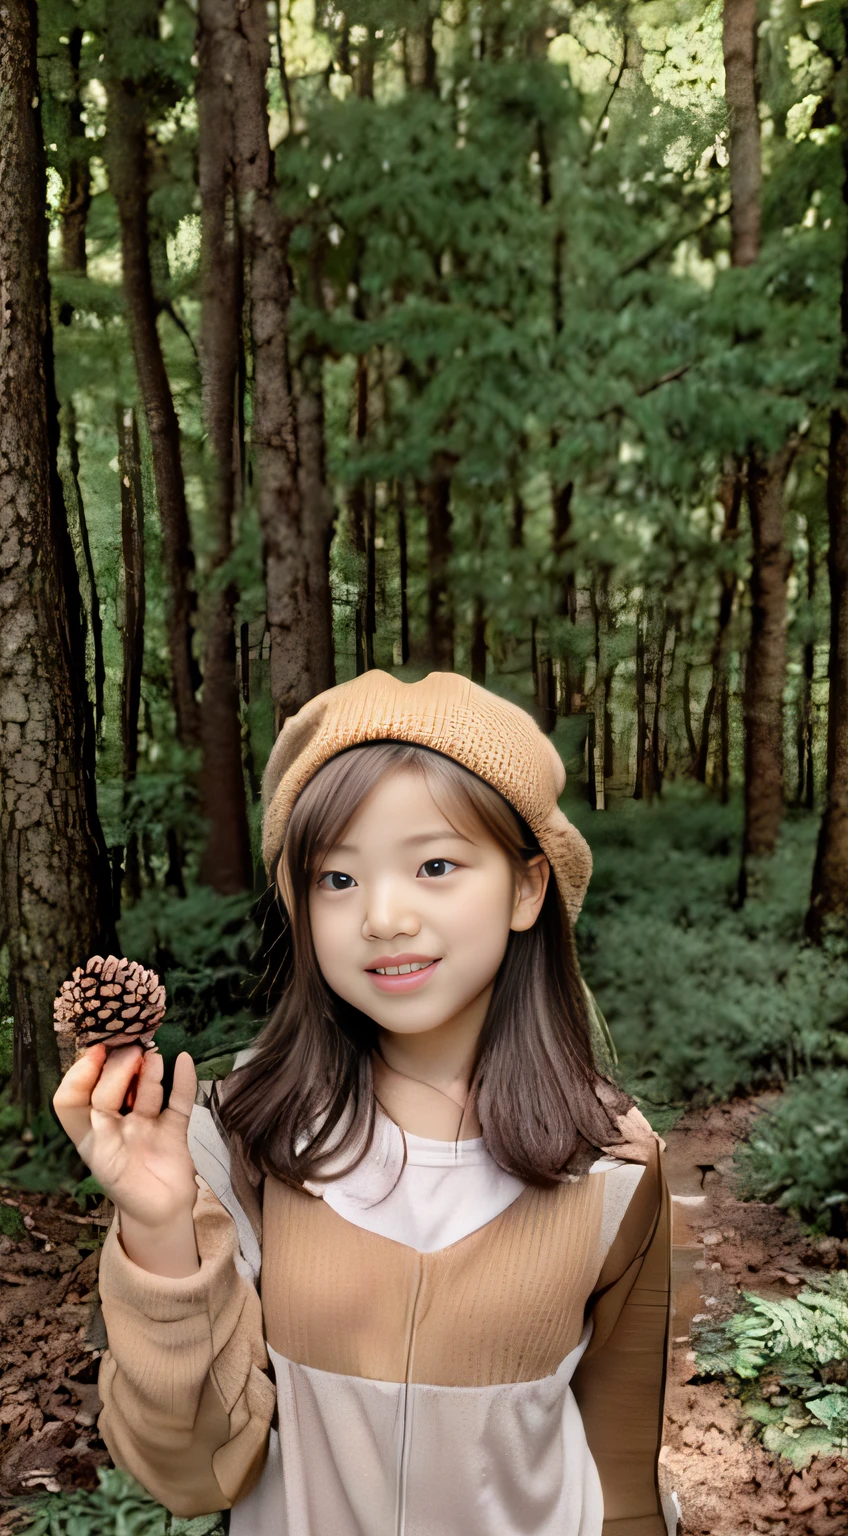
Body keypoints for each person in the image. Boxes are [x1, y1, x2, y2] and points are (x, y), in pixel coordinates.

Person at [54, 670, 677, 1535]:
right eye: (336, 880)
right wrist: (160, 1228)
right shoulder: (242, 1139)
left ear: (528, 889)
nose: (383, 916)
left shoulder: (615, 1163)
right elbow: (191, 1475)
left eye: (435, 865)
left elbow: (621, 1466)